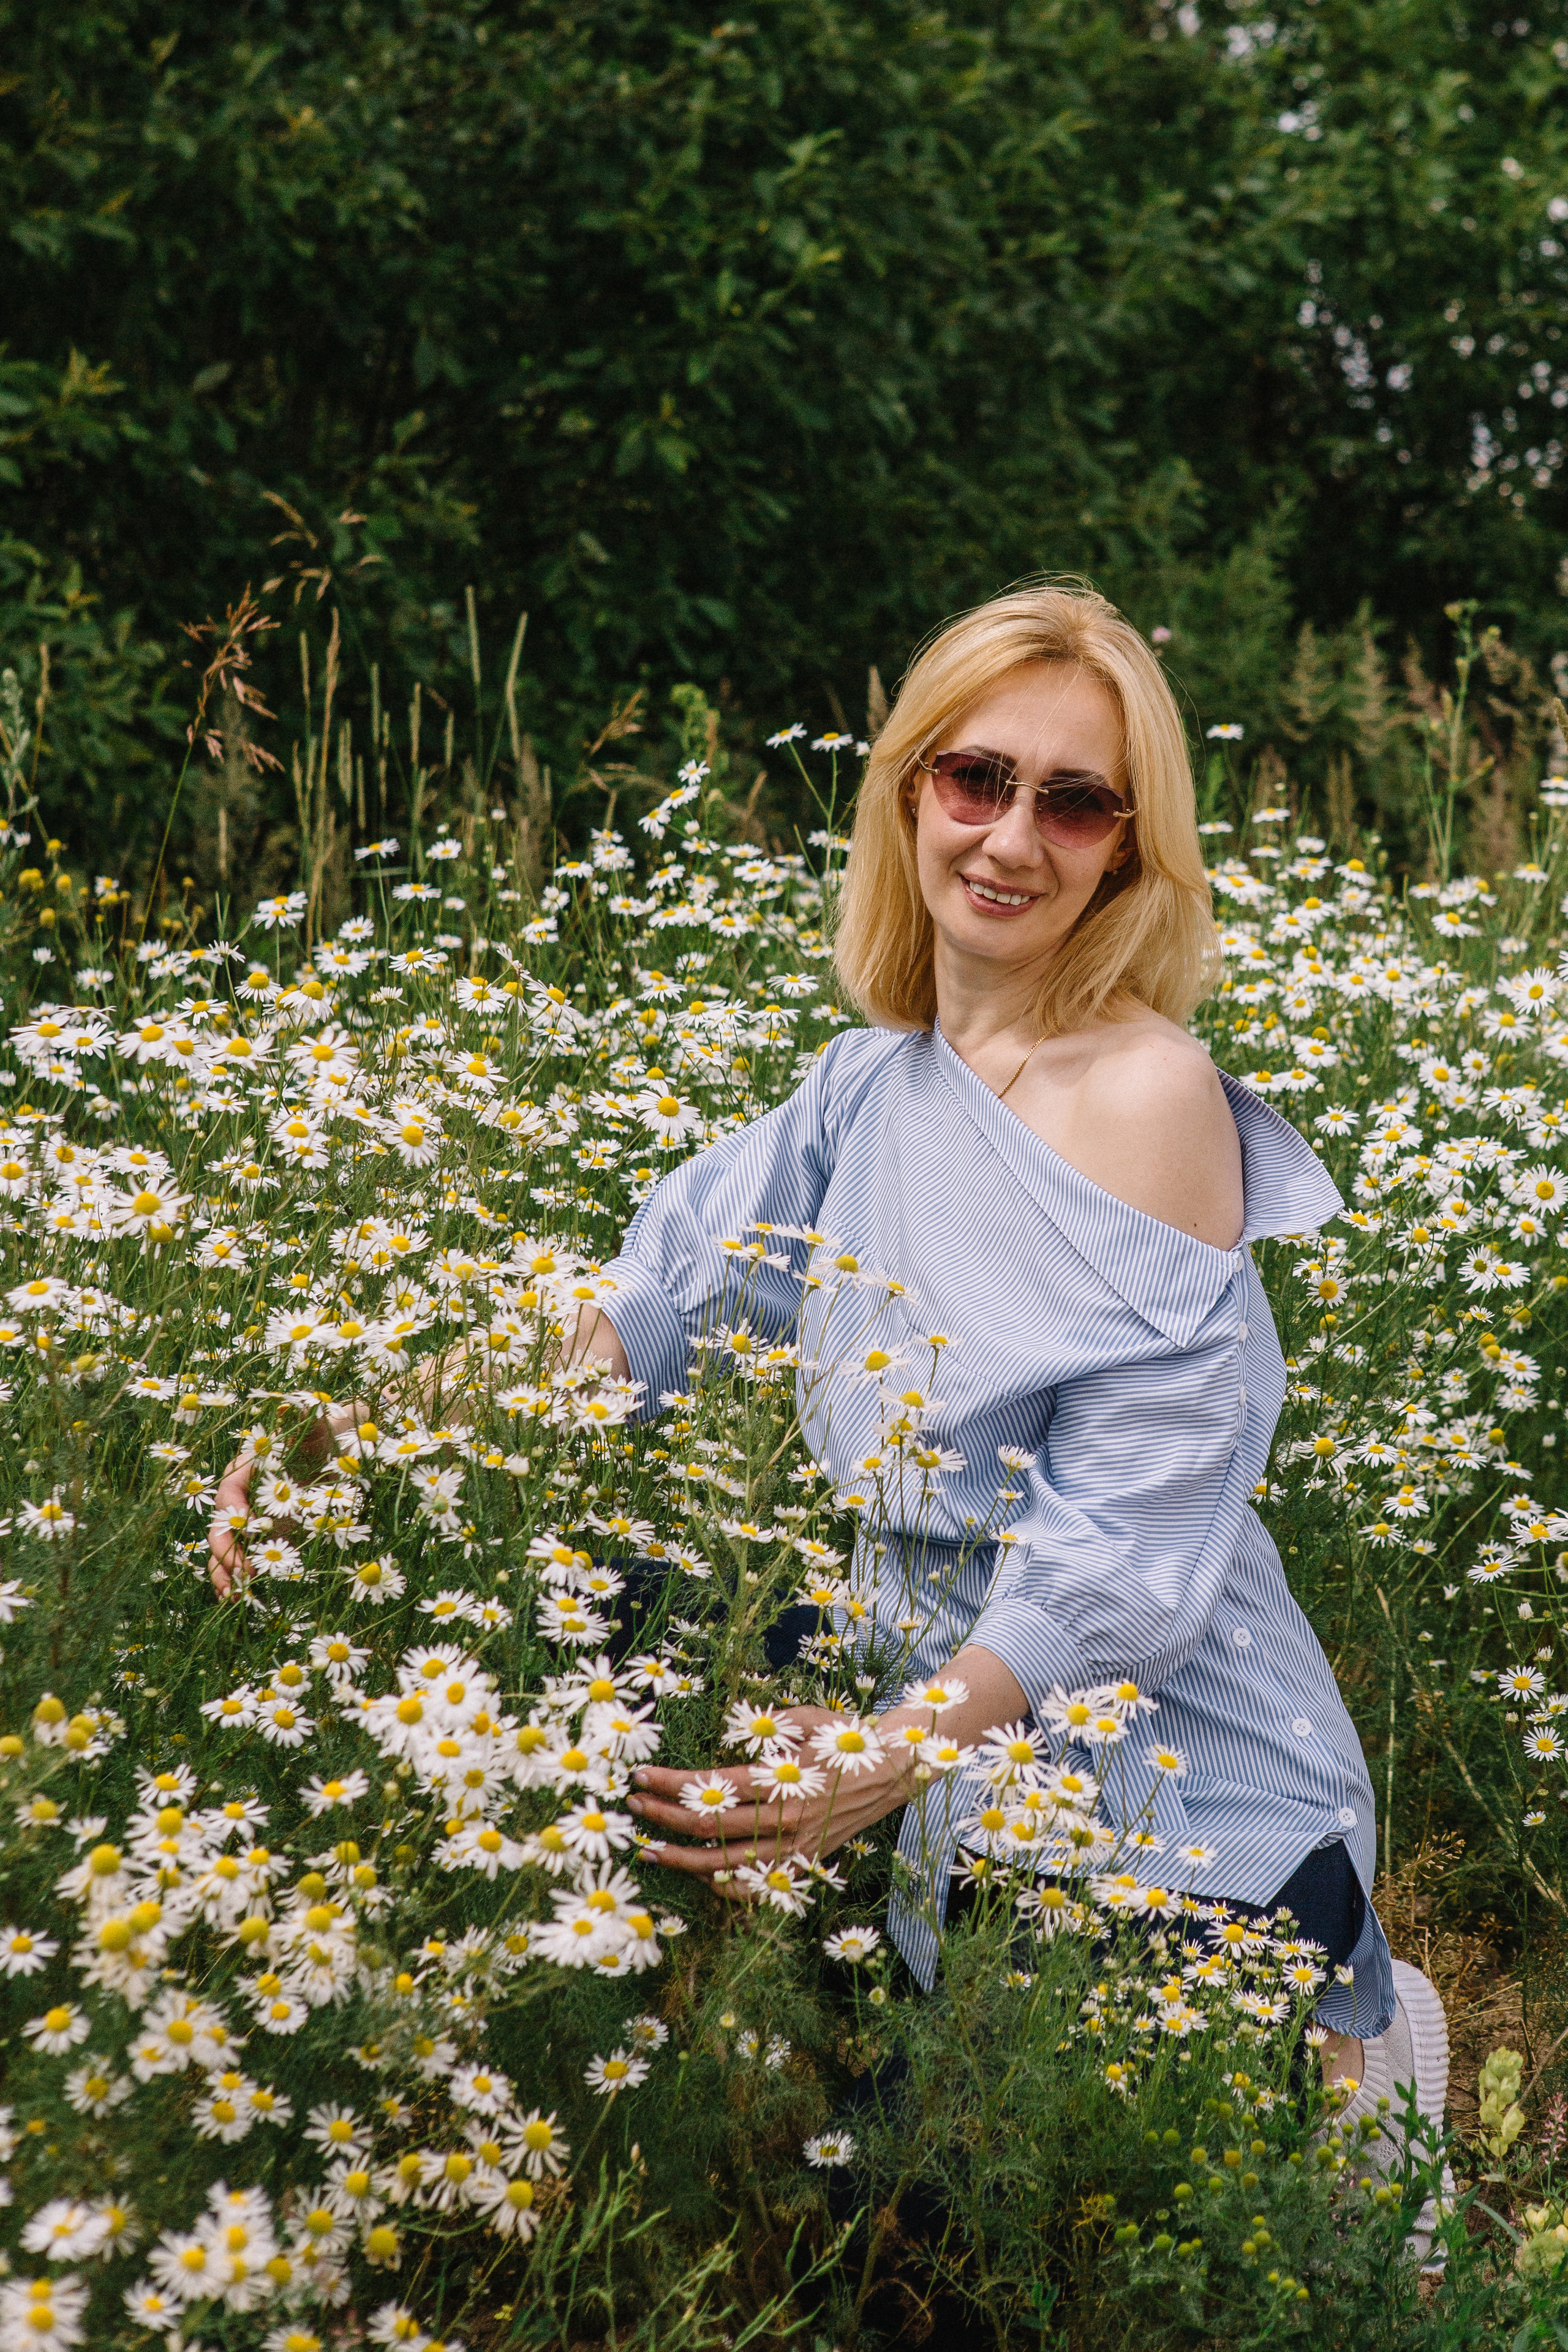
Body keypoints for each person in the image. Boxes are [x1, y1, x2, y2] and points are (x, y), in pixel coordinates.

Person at [207, 581, 1449, 2256]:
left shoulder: (1146, 1096)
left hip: (1160, 1735)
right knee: (893, 2205)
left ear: (1130, 855)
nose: (1013, 837)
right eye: (975, 779)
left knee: (1039, 2223)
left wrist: (888, 1754)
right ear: (906, 792)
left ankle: (1351, 2040)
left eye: (1075, 802)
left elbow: (1125, 1550)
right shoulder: (869, 1086)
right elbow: (647, 1311)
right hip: (922, 1708)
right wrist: (353, 1431)